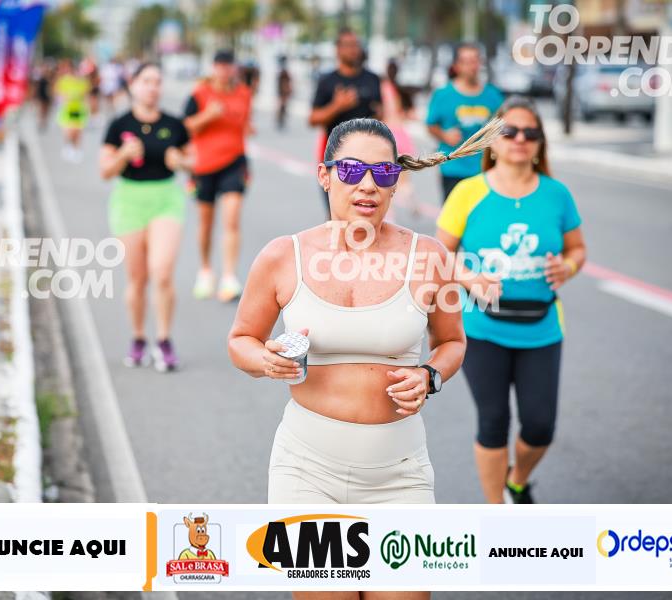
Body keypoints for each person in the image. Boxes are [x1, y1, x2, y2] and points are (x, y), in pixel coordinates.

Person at [228, 117, 501, 520]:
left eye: (384, 172)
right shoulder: (282, 256)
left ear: (395, 183)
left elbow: (452, 343)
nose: (368, 184)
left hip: (401, 474)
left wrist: (429, 375)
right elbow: (241, 341)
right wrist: (266, 360)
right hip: (304, 471)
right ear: (324, 176)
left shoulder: (428, 256)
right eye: (352, 170)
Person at [434, 96, 587, 503]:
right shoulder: (467, 192)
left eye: (530, 132)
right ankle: (495, 512)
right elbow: (438, 254)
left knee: (540, 427)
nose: (520, 138)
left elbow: (577, 249)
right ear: (493, 141)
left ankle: (516, 481)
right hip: (482, 327)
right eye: (510, 131)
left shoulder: (557, 194)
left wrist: (567, 267)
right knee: (493, 420)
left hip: (542, 327)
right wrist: (469, 278)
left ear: (540, 143)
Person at [100, 63, 194, 372]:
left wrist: (180, 162)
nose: (152, 87)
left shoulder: (175, 124)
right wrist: (123, 155)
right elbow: (105, 171)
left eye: (157, 82)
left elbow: (194, 161)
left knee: (162, 273)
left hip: (166, 199)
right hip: (129, 201)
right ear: (133, 85)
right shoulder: (118, 125)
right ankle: (139, 337)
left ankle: (164, 340)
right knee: (137, 279)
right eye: (146, 81)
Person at [184, 49, 253, 303]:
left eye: (228, 65)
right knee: (206, 222)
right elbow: (186, 126)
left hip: (234, 162)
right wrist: (208, 116)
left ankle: (229, 277)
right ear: (214, 67)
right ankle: (205, 270)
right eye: (220, 65)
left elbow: (244, 124)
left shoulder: (244, 93)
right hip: (204, 166)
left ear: (234, 68)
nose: (224, 70)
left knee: (232, 219)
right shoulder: (199, 94)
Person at [309, 28, 382, 216]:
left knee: (364, 214)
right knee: (337, 216)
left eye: (356, 45)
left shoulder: (372, 79)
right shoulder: (327, 81)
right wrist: (337, 106)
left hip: (367, 158)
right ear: (338, 49)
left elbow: (380, 114)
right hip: (336, 158)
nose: (353, 50)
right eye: (348, 45)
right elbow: (313, 118)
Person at [426, 43, 504, 202]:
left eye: (475, 60)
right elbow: (430, 125)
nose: (472, 66)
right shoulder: (443, 94)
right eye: (466, 61)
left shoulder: (493, 95)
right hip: (453, 169)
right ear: (456, 66)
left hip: (484, 170)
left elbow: (503, 125)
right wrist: (444, 135)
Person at [380, 59, 417, 218]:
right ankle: (411, 201)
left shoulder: (382, 89)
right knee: (403, 177)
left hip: (386, 134)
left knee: (384, 177)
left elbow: (380, 112)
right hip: (401, 134)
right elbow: (410, 114)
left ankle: (389, 213)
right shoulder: (400, 90)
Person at [54, 59, 91, 162]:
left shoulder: (81, 81)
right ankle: (68, 146)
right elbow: (58, 93)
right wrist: (64, 97)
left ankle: (76, 149)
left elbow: (86, 94)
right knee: (68, 131)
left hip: (78, 109)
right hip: (67, 110)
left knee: (77, 132)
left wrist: (87, 107)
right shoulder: (63, 81)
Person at [276, 55, 293, 130]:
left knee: (282, 105)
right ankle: (280, 118)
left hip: (283, 91)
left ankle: (281, 118)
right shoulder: (283, 72)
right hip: (282, 91)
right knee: (282, 105)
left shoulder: (283, 71)